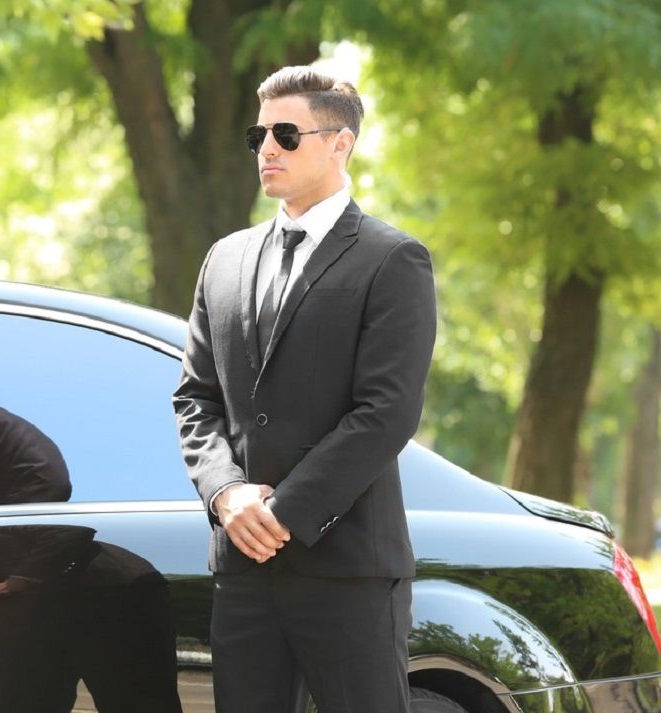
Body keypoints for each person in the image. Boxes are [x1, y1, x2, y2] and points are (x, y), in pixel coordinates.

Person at [173, 65, 437, 713]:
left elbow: (385, 412)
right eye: (258, 133)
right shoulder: (225, 259)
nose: (267, 147)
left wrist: (281, 513)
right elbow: (195, 399)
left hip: (347, 570)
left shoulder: (392, 259)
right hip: (243, 571)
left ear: (340, 143)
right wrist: (227, 494)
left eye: (286, 134)